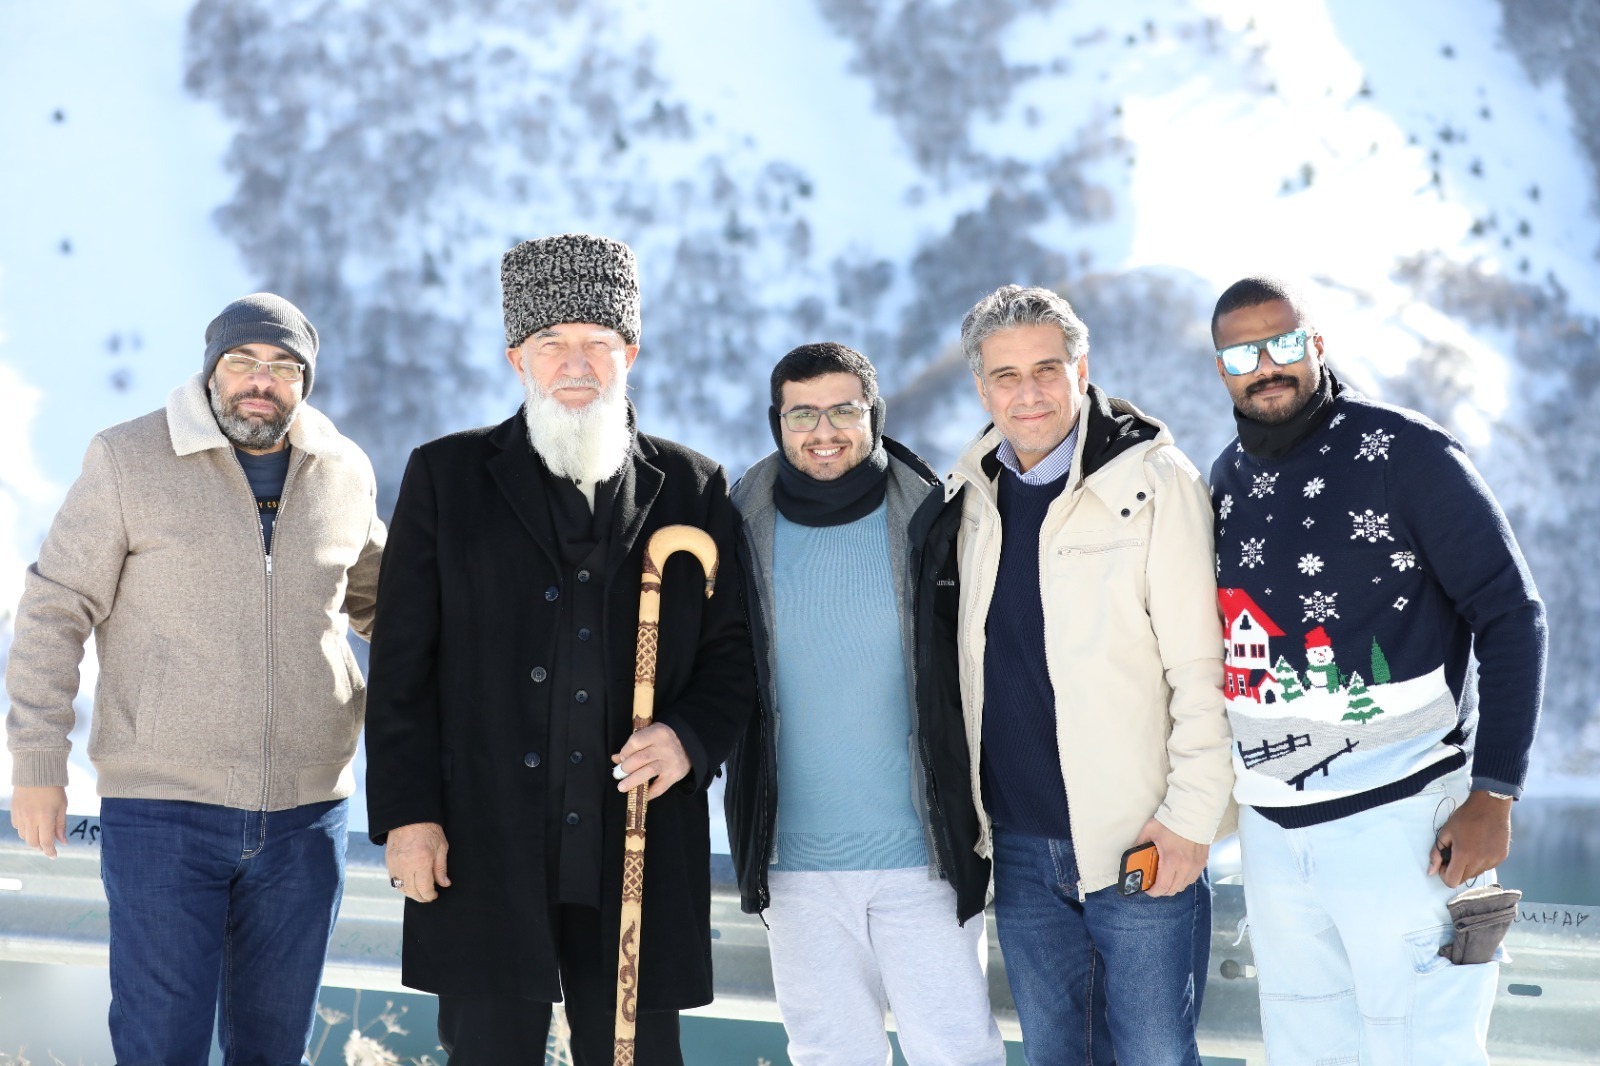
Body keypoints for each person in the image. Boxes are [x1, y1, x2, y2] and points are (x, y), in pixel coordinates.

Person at [363, 233, 756, 1064]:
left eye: (597, 343)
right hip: (483, 847)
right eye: (551, 343)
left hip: (639, 847)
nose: (576, 364)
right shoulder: (446, 477)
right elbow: (401, 668)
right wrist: (407, 816)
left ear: (630, 354)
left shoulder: (694, 488)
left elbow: (735, 658)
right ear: (517, 358)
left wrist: (688, 740)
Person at [5, 293, 386, 1063]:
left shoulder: (343, 470)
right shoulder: (128, 459)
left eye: (283, 367)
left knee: (273, 1051)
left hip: (308, 818)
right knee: (162, 1046)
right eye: (243, 361)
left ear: (305, 382)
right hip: (163, 815)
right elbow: (54, 609)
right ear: (211, 369)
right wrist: (39, 761)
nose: (261, 381)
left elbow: (392, 610)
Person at [1207, 275, 1546, 1064]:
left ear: (1316, 343)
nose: (1266, 367)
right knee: (1305, 1048)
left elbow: (1511, 615)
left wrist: (1495, 792)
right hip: (1273, 835)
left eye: (1284, 344)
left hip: (1402, 822)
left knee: (1425, 1047)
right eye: (1243, 355)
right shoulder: (1226, 480)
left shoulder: (1406, 453)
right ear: (1221, 369)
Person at [935, 284, 1233, 1066]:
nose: (1028, 393)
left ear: (1082, 368)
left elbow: (1203, 669)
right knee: (1056, 1055)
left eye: (1047, 369)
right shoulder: (969, 498)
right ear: (982, 388)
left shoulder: (1155, 482)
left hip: (1140, 836)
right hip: (1021, 847)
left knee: (1156, 1057)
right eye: (1005, 376)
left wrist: (1191, 820)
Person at [723, 342, 1005, 1065]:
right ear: (777, 422)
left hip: (924, 858)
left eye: (843, 411)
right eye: (802, 415)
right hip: (795, 864)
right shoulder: (737, 528)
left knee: (957, 1054)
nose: (824, 432)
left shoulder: (938, 519)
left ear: (873, 415)